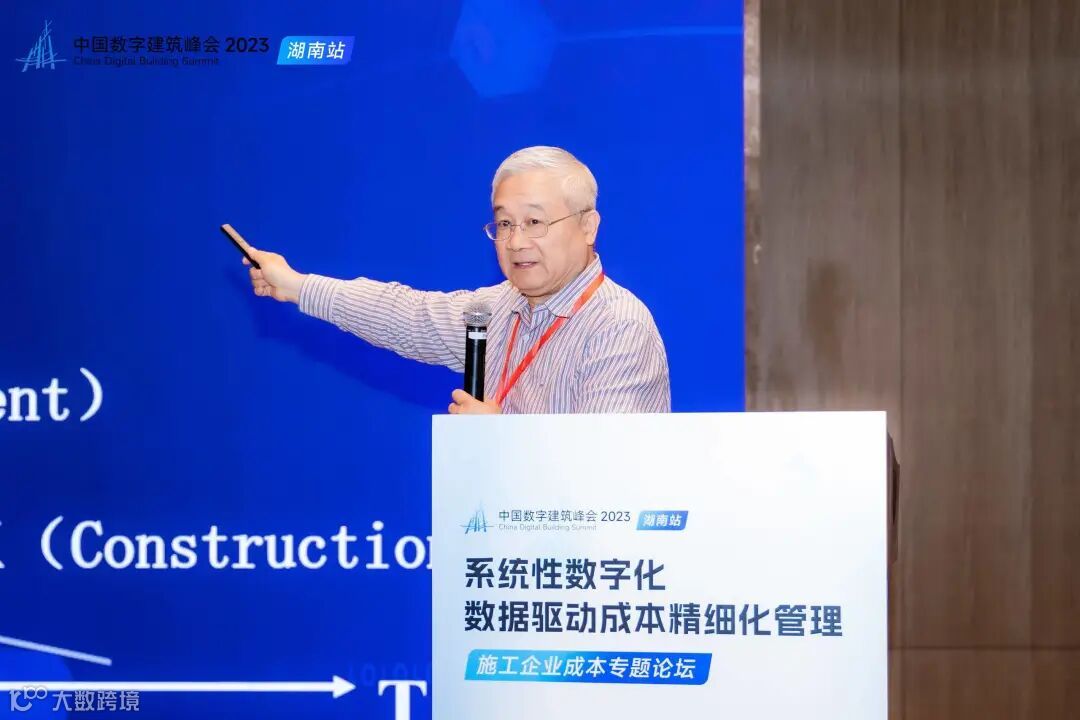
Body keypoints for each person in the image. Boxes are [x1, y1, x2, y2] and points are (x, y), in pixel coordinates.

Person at [241, 146, 670, 415]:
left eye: (535, 222)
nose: (516, 241)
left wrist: (504, 443)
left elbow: (610, 476)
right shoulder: (498, 308)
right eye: (504, 224)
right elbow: (404, 315)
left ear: (588, 226)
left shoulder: (618, 326)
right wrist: (295, 285)